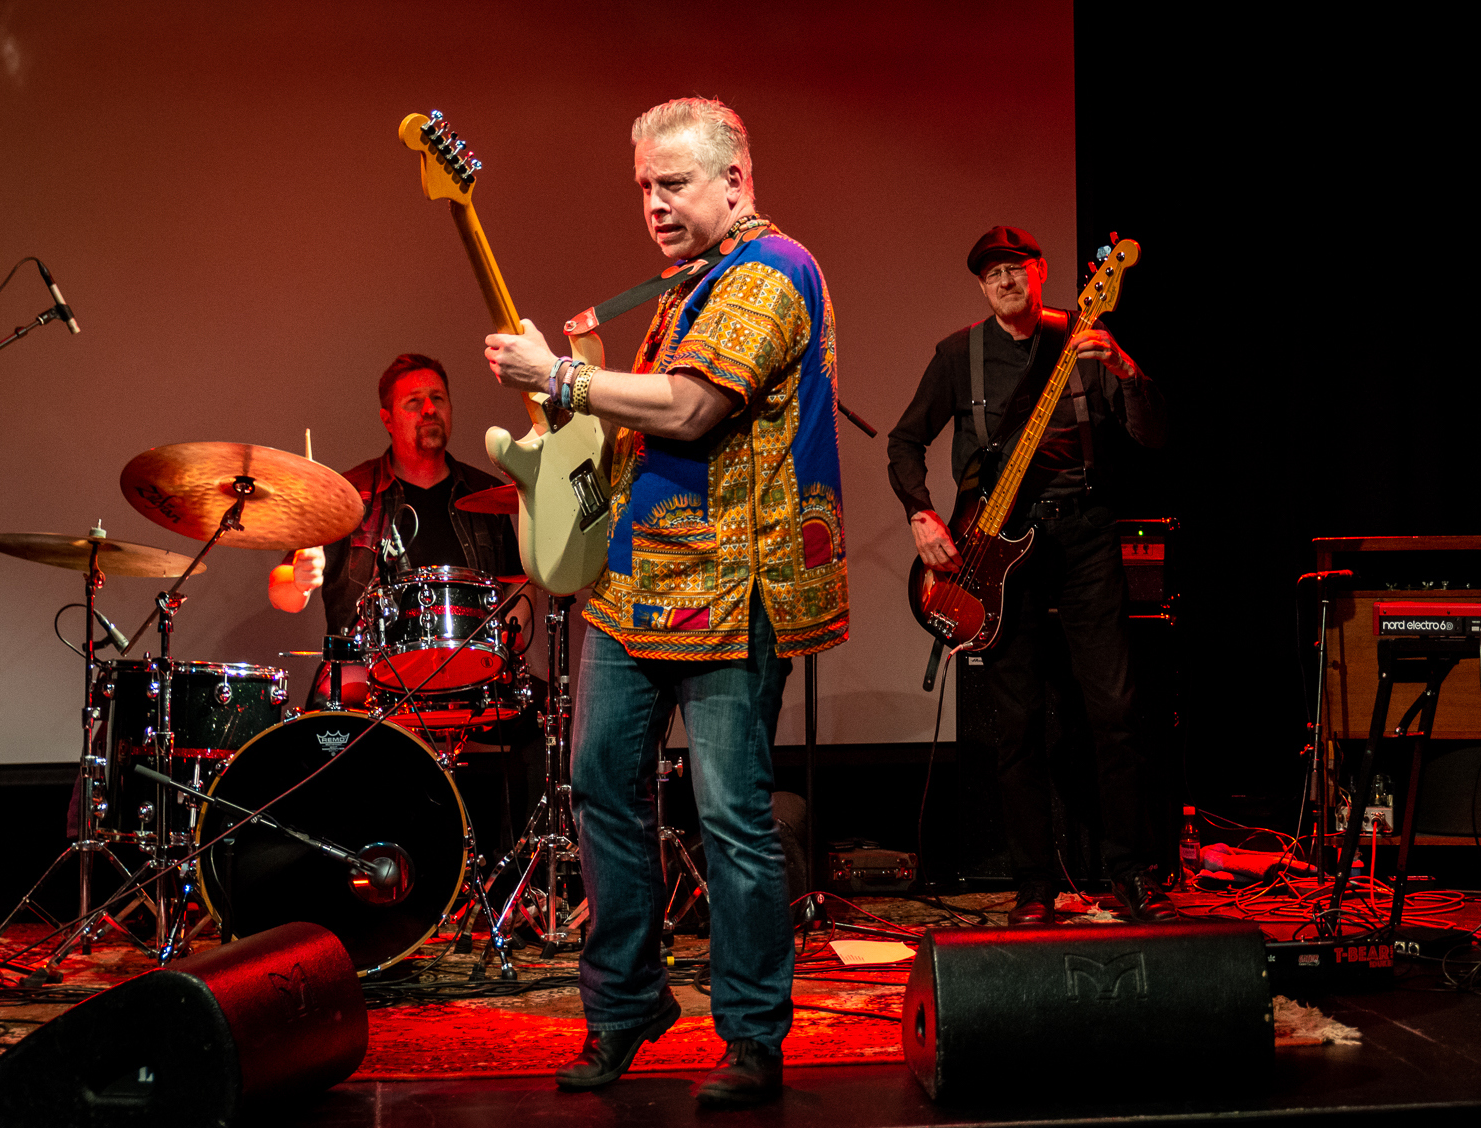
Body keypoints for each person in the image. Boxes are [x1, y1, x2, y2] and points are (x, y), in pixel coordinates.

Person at [482, 97, 846, 1105]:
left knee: (730, 816)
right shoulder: (688, 285)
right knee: (602, 786)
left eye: (673, 182)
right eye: (644, 185)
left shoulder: (771, 272)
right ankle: (626, 1005)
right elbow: (646, 424)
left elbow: (691, 405)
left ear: (735, 180)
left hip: (730, 588)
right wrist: (574, 396)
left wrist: (562, 378)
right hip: (636, 585)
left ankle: (753, 1036)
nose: (653, 203)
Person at [887, 225, 1171, 925]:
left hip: (1084, 535)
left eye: (1016, 268)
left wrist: (1127, 371)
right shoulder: (959, 356)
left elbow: (1152, 436)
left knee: (1114, 710)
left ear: (1041, 271)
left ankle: (1129, 871)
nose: (1006, 281)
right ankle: (1034, 886)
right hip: (997, 550)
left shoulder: (1086, 341)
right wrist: (921, 513)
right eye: (992, 274)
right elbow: (904, 441)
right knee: (1014, 724)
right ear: (982, 288)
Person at [268, 353, 523, 709]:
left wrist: (503, 639)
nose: (429, 409)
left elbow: (519, 584)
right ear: (387, 419)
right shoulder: (348, 495)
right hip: (366, 689)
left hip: (468, 687)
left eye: (438, 398)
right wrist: (298, 581)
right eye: (414, 402)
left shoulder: (485, 494)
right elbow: (281, 592)